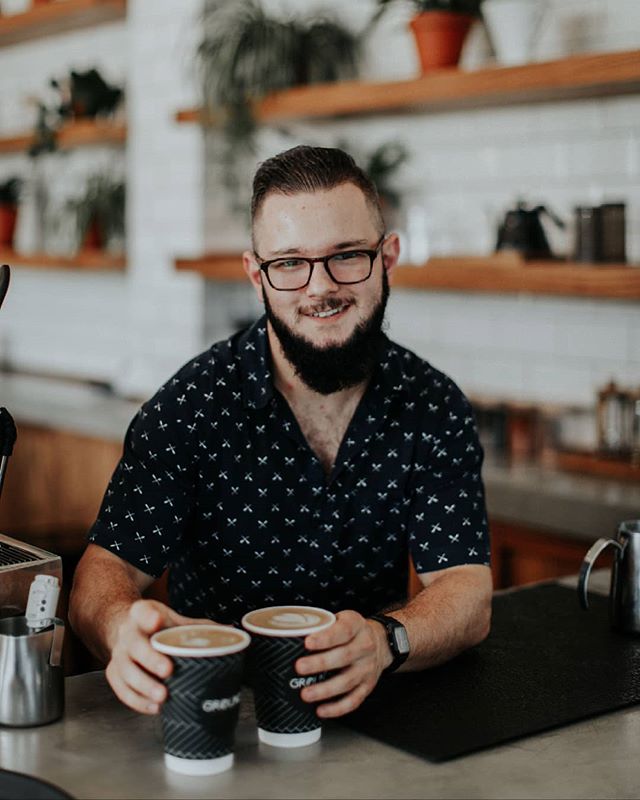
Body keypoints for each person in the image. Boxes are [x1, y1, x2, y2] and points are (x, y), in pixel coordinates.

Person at [69, 145, 492, 721]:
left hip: (377, 715)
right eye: (289, 262)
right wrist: (121, 630)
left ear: (387, 257)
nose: (319, 287)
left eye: (346, 255)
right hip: (219, 719)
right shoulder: (190, 407)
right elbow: (103, 573)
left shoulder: (433, 406)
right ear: (255, 274)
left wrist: (386, 640)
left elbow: (466, 590)